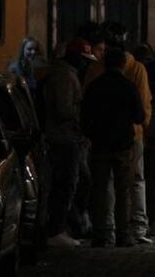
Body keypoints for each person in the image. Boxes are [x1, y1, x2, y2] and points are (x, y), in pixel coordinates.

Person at [82, 46, 144, 247]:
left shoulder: (94, 86)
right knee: (123, 190)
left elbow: (84, 116)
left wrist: (91, 134)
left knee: (100, 189)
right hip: (123, 144)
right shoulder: (128, 86)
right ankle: (123, 233)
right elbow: (139, 116)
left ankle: (101, 233)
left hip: (100, 143)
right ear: (123, 64)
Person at [42, 38, 93, 248]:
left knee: (73, 183)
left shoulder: (66, 73)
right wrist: (82, 111)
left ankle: (64, 225)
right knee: (67, 184)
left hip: (66, 137)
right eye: (83, 58)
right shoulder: (64, 76)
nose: (85, 63)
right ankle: (57, 228)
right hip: (64, 137)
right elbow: (63, 110)